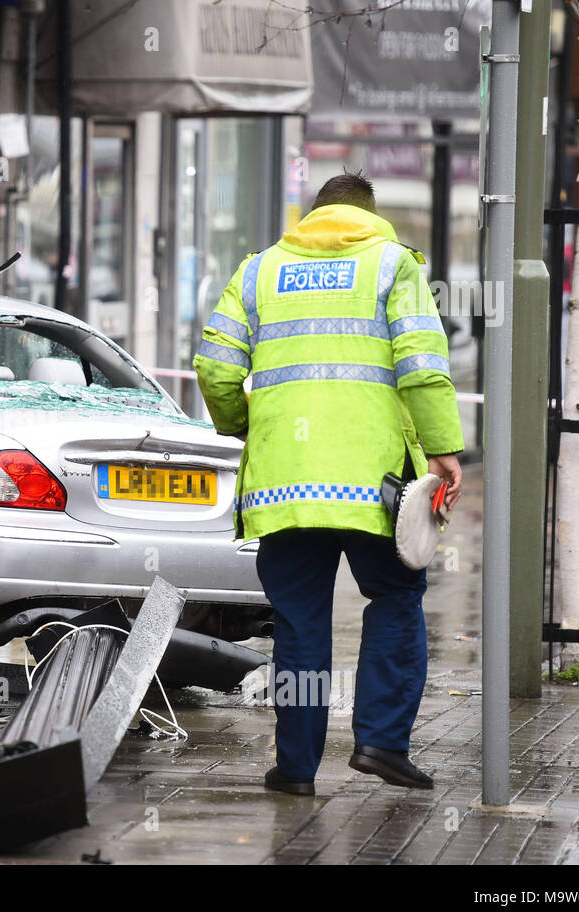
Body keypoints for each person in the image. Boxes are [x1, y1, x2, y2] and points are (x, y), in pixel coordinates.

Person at [194, 173, 463, 795]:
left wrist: (241, 425)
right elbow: (423, 369)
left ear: (314, 214)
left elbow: (215, 364)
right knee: (395, 598)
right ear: (371, 215)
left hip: (283, 483)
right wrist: (445, 451)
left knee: (298, 622)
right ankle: (381, 743)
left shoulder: (259, 271)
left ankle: (294, 770)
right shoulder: (395, 266)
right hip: (375, 484)